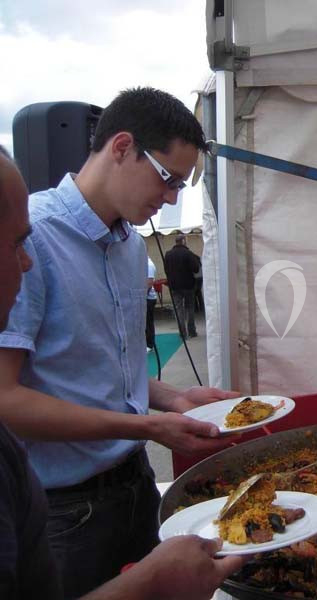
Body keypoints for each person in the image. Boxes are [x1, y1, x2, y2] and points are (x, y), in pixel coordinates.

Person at [0, 88, 239, 598]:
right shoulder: (33, 239)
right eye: (168, 177)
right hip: (64, 508)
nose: (172, 197)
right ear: (122, 146)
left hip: (131, 484)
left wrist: (174, 398)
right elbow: (6, 398)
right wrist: (148, 425)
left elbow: (108, 366)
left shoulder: (130, 247)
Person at [164, 233, 201, 338]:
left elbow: (166, 270)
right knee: (190, 308)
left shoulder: (168, 254)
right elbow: (196, 268)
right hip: (188, 285)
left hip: (174, 286)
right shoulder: (188, 253)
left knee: (178, 309)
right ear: (184, 241)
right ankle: (191, 331)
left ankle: (182, 333)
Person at [145, 255, 157, 351]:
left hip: (148, 298)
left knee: (148, 322)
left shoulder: (149, 264)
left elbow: (149, 283)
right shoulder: (143, 263)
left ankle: (150, 344)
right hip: (146, 297)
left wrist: (142, 296)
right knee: (145, 322)